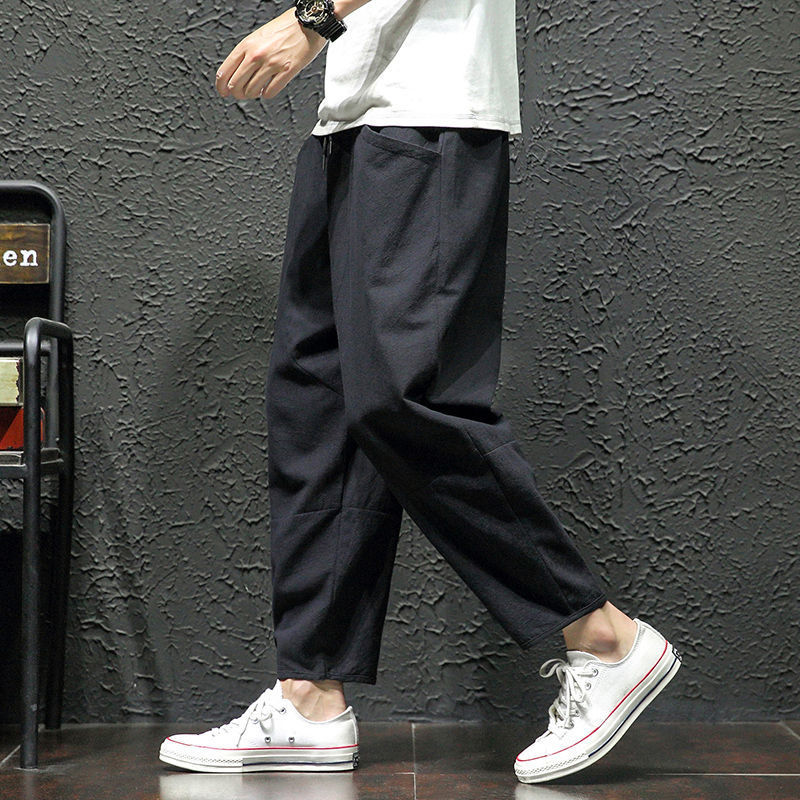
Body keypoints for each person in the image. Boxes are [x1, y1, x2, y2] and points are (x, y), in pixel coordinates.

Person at [158, 0, 683, 784]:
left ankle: (603, 635)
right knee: (319, 408)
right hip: (350, 122)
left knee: (403, 398)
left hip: (429, 111)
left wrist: (312, 19)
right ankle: (309, 696)